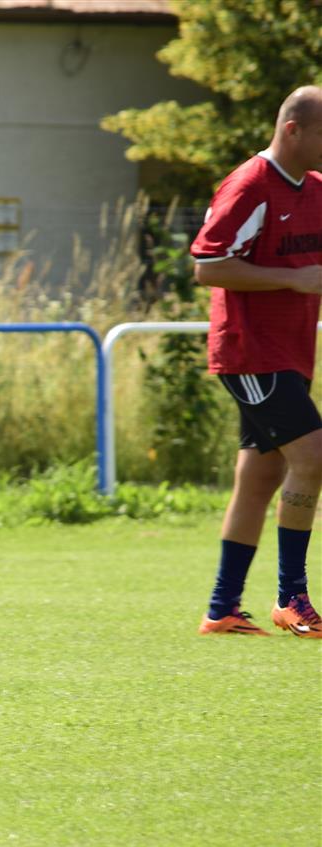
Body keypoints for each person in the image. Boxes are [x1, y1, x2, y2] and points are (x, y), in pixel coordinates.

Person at [192, 85, 322, 639]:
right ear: (293, 130)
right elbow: (208, 265)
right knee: (313, 456)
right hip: (250, 351)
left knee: (262, 474)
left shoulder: (316, 189)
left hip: (290, 352)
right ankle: (292, 597)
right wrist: (292, 280)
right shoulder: (249, 186)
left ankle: (222, 610)